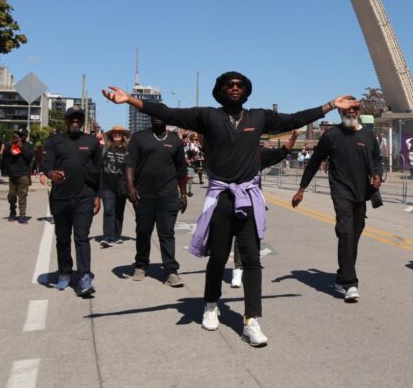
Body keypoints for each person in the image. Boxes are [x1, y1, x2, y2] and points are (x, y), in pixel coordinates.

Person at [103, 71, 357, 347]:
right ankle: (211, 305)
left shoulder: (258, 117)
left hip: (248, 197)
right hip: (222, 197)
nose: (235, 89)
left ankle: (252, 320)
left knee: (252, 261)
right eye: (229, 85)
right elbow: (168, 112)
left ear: (246, 91)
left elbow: (294, 119)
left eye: (240, 86)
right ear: (221, 91)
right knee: (218, 257)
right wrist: (130, 100)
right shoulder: (208, 117)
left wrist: (330, 105)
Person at [293, 104, 381, 303]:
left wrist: (378, 175)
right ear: (341, 113)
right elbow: (315, 161)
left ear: (358, 113)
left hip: (362, 192)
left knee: (354, 235)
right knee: (345, 232)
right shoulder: (331, 135)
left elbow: (377, 159)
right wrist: (302, 188)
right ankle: (351, 283)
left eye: (354, 111)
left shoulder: (367, 135)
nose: (351, 114)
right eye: (347, 111)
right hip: (341, 191)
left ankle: (342, 275)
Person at [41, 106, 102, 297]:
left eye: (78, 118)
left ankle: (84, 277)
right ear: (66, 121)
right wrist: (50, 173)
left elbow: (99, 170)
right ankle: (65, 272)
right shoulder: (54, 140)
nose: (75, 121)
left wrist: (98, 196)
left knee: (82, 237)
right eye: (72, 118)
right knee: (63, 238)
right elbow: (45, 163)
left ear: (82, 121)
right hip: (60, 197)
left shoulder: (92, 142)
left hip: (84, 196)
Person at [232, 131, 299, 288]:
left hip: (255, 201)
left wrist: (294, 137)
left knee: (256, 233)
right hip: (236, 199)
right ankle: (238, 268)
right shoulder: (232, 152)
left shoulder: (259, 153)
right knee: (238, 235)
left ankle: (251, 264)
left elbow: (282, 151)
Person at [126, 118, 188, 287]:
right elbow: (130, 164)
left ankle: (170, 271)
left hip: (168, 195)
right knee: (143, 231)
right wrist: (130, 186)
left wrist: (183, 194)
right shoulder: (139, 137)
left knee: (166, 233)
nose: (158, 117)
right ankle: (141, 264)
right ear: (150, 118)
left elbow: (181, 170)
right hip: (143, 195)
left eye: (161, 114)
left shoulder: (175, 140)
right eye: (154, 114)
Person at [99, 125, 131, 246]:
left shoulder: (128, 150)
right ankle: (107, 237)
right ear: (111, 135)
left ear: (123, 136)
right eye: (115, 133)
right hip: (107, 185)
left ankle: (117, 236)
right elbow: (99, 165)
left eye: (119, 133)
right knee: (108, 210)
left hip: (122, 185)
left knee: (119, 211)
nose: (117, 134)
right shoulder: (104, 148)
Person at [4, 129, 34, 223]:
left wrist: (21, 147)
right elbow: (4, 156)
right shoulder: (10, 145)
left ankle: (22, 215)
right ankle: (12, 211)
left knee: (22, 195)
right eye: (17, 135)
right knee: (12, 195)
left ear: (25, 136)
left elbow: (30, 157)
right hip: (12, 174)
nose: (18, 137)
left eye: (21, 135)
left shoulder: (28, 145)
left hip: (23, 174)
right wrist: (10, 145)